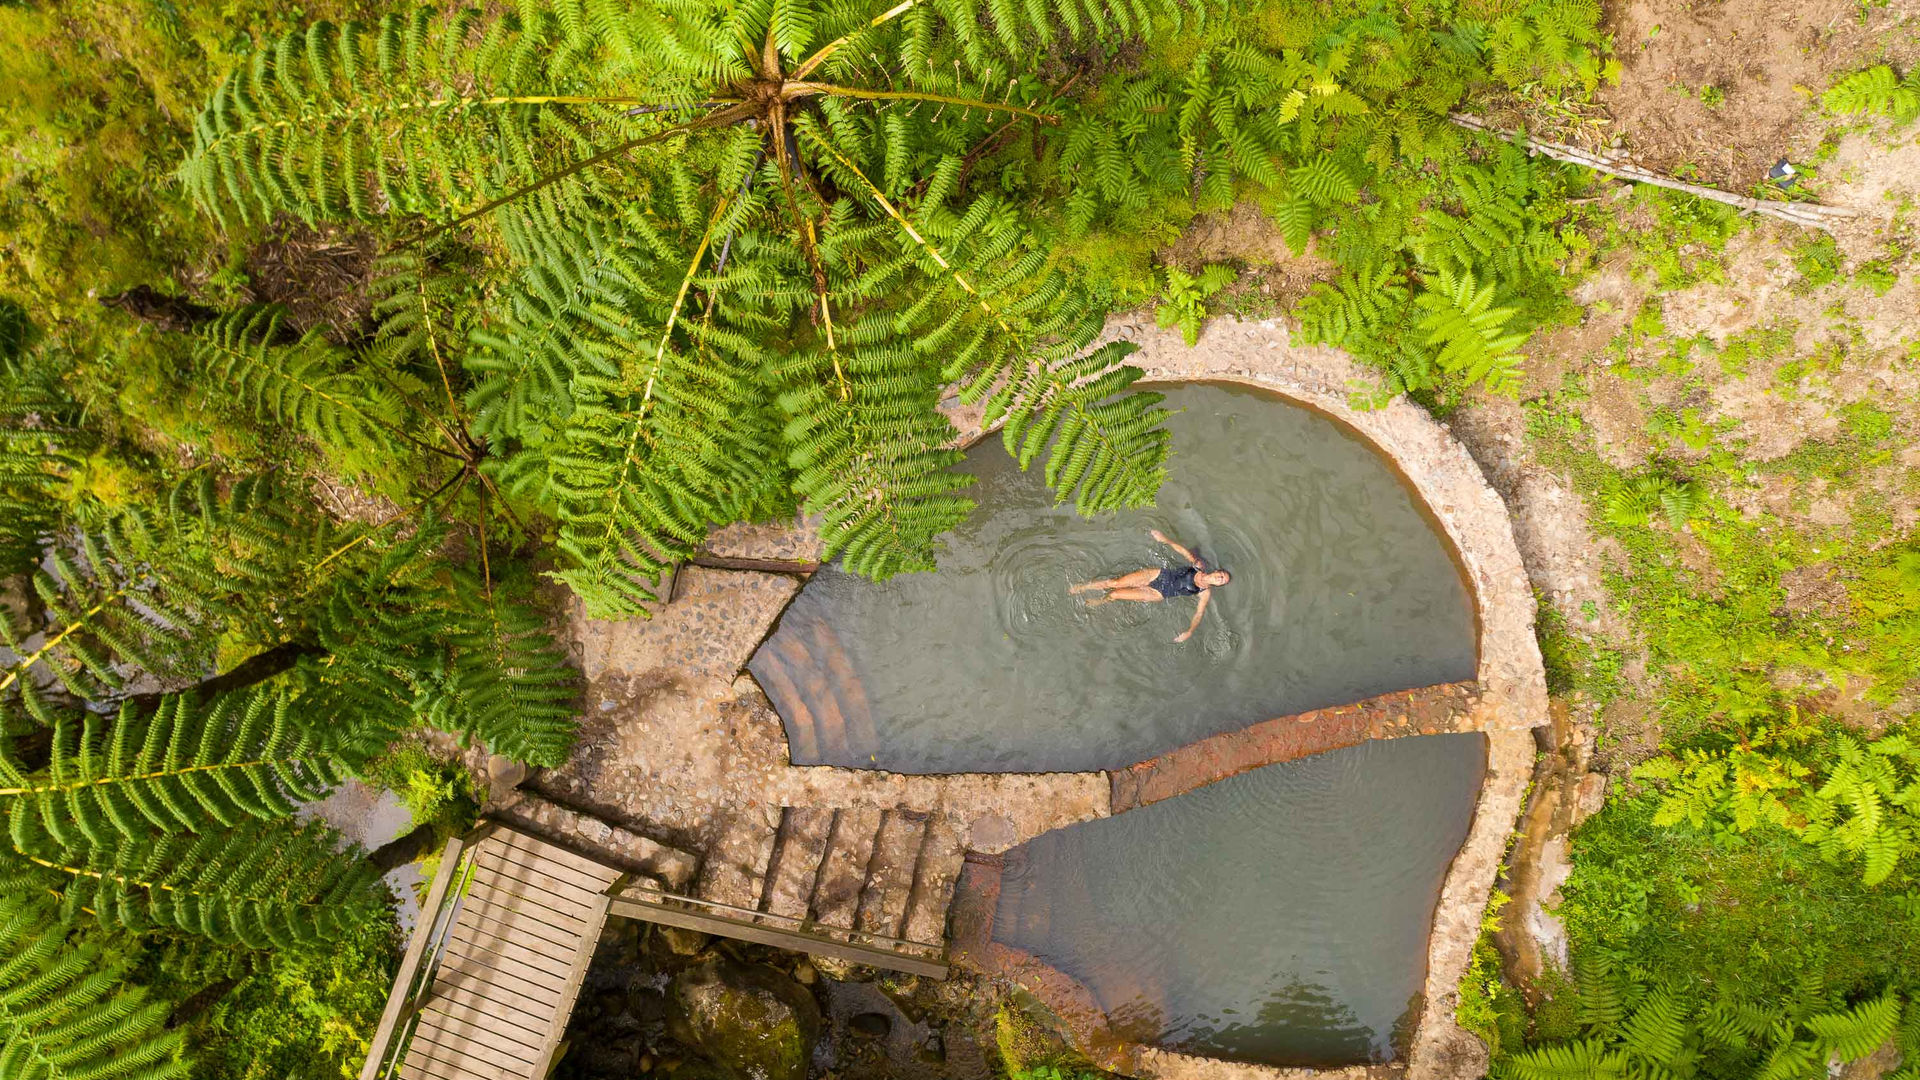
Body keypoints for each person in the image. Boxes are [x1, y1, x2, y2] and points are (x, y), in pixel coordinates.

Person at [1069, 530, 1231, 642]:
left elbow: (1199, 613)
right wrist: (1164, 539)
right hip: (1158, 574)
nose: (1220, 578)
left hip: (1158, 594)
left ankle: (1100, 601)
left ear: (1218, 584)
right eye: (1222, 575)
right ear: (1217, 571)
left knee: (1115, 594)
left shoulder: (1205, 592)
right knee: (1113, 583)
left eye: (1222, 581)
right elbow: (1181, 550)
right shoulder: (1199, 566)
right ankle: (1083, 588)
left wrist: (1190, 631)